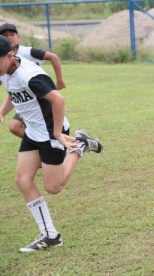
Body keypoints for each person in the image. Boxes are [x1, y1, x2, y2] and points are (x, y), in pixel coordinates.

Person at [0, 35, 103, 252]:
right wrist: (2, 111)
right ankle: (50, 236)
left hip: (49, 132)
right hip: (34, 131)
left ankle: (80, 145)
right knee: (22, 180)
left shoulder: (30, 75)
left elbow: (58, 99)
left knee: (53, 187)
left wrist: (57, 132)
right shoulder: (6, 69)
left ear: (10, 55)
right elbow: (13, 92)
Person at [0, 23, 66, 139]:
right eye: (5, 35)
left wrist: (59, 80)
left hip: (39, 96)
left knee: (18, 126)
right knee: (15, 127)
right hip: (25, 99)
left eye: (12, 34)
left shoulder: (27, 52)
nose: (9, 38)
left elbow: (53, 57)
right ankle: (38, 143)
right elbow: (12, 89)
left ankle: (49, 142)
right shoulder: (4, 64)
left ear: (18, 37)